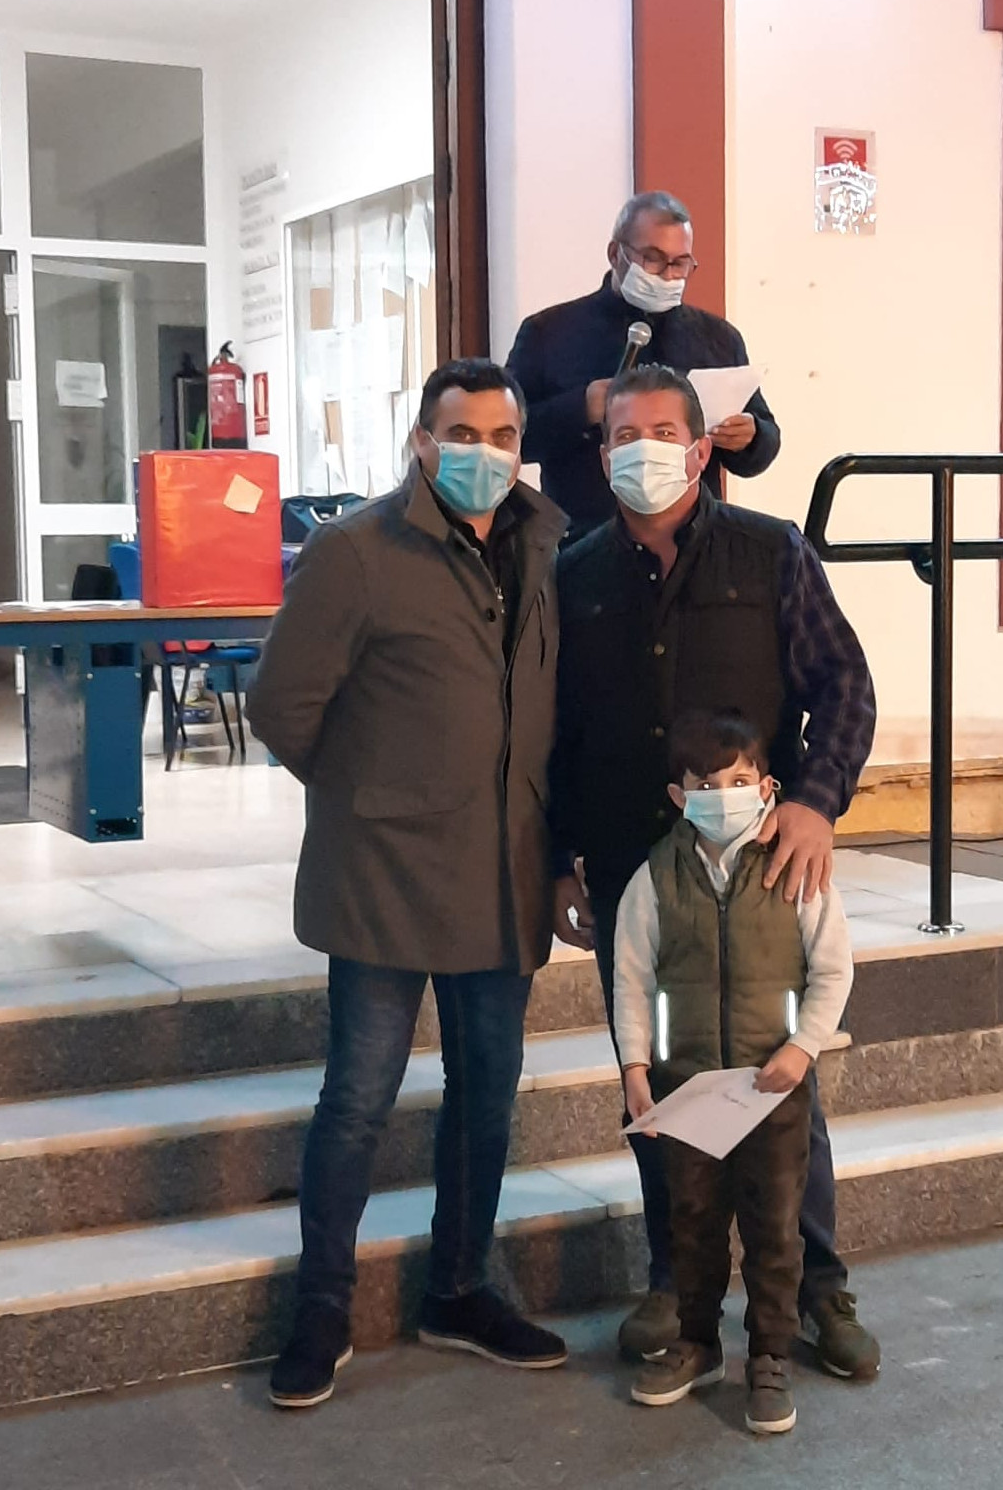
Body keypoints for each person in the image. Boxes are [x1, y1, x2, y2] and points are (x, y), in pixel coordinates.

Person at [247, 359, 569, 1411]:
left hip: (503, 870)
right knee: (357, 1099)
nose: (483, 454)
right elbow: (282, 707)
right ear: (423, 441)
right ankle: (321, 1313)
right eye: (461, 435)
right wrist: (369, 795)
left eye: (502, 436)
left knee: (485, 1095)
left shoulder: (546, 543)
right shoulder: (356, 552)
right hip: (383, 875)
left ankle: (458, 1290)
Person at [550, 362, 880, 1381]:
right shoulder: (574, 574)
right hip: (636, 875)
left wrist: (816, 800)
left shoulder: (771, 551)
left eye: (664, 432)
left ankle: (815, 1286)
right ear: (600, 451)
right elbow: (554, 734)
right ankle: (677, 1284)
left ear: (701, 448)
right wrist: (559, 857)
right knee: (660, 1078)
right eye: (623, 434)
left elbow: (844, 684)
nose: (643, 449)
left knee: (781, 1073)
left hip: (761, 865)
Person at [615, 709, 854, 1435]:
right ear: (679, 796)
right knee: (691, 1222)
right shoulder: (654, 878)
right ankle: (697, 1343)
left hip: (771, 1090)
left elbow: (832, 969)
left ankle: (770, 1354)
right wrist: (635, 1066)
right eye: (707, 785)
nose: (725, 795)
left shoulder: (796, 871)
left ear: (767, 786)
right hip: (688, 1089)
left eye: (740, 780)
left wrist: (802, 1047)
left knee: (774, 1229)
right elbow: (631, 979)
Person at [507, 190, 780, 537]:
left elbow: (764, 443)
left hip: (694, 541)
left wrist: (750, 437)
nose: (668, 274)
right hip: (583, 538)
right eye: (653, 258)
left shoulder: (718, 338)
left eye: (680, 263)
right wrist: (580, 408)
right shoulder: (548, 332)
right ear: (615, 254)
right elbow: (510, 439)